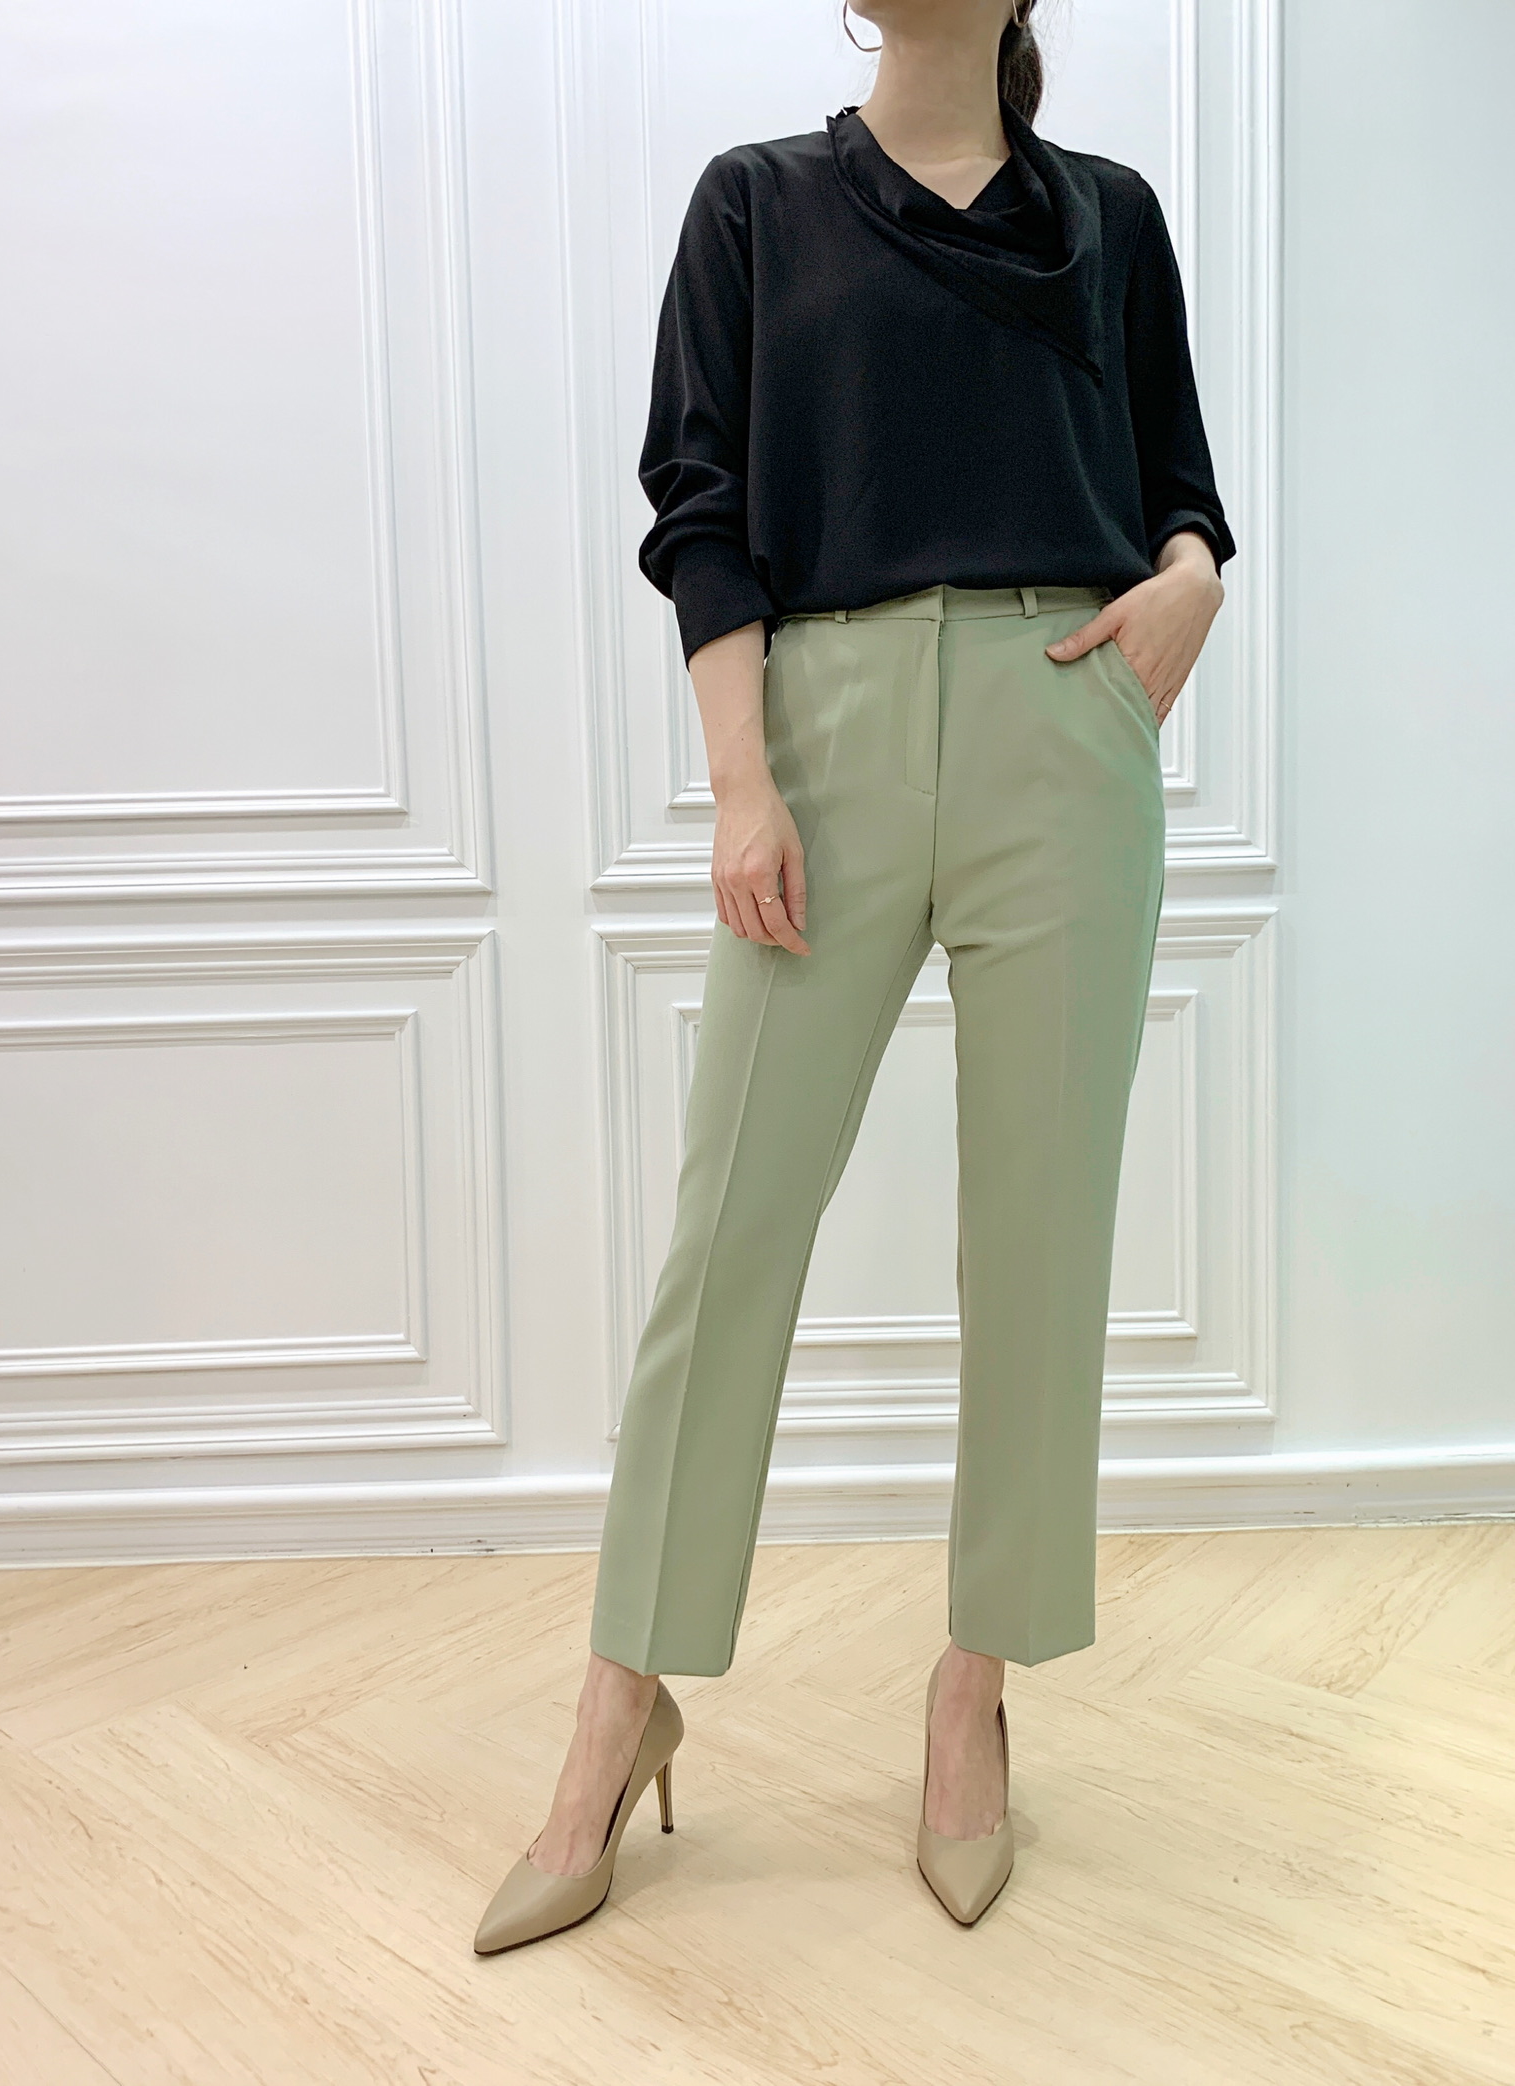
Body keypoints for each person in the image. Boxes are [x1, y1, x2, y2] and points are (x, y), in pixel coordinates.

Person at [474, 0, 1233, 1953]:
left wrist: (1193, 582)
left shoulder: (1111, 216)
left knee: (1041, 1237)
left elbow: (1181, 484)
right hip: (820, 736)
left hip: (1064, 728)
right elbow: (700, 502)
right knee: (733, 1228)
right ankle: (621, 1698)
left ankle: (974, 1689)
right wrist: (743, 780)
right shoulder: (758, 204)